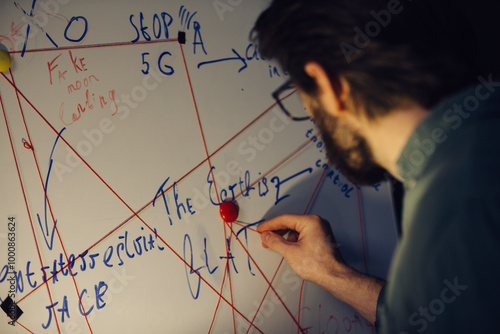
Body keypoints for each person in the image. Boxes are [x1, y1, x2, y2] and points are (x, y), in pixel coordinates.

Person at [252, 0, 500, 333]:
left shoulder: (454, 213)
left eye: (303, 98)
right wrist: (331, 273)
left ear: (328, 85)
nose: (312, 116)